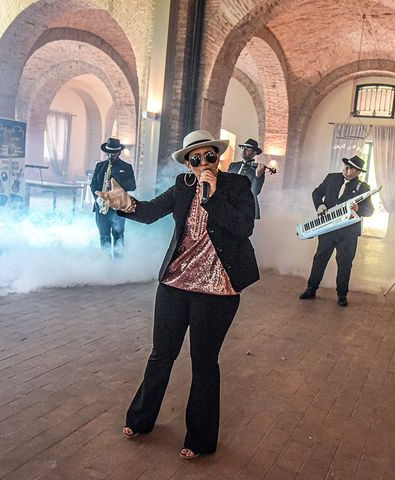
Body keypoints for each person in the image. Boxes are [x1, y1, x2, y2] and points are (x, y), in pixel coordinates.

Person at [96, 129, 259, 459]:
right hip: (175, 284)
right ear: (187, 164)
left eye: (209, 156)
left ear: (218, 156)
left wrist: (212, 196)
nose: (203, 164)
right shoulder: (182, 188)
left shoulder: (238, 186)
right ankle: (141, 420)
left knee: (203, 363)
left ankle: (200, 439)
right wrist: (124, 203)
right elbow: (149, 212)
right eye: (195, 159)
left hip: (218, 290)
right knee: (161, 354)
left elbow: (243, 228)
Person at [299, 155, 374, 306]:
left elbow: (370, 210)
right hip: (328, 228)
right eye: (346, 165)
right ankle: (311, 288)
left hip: (348, 233)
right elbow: (316, 193)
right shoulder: (332, 178)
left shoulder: (363, 187)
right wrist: (319, 205)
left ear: (358, 172)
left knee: (345, 263)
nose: (347, 169)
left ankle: (342, 295)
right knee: (320, 258)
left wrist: (359, 209)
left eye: (351, 168)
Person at [90, 138, 136, 256]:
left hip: (118, 208)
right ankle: (106, 263)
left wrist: (116, 187)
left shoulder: (126, 167)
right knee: (104, 237)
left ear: (119, 152)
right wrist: (97, 198)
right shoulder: (100, 166)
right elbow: (93, 184)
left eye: (114, 153)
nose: (111, 155)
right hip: (102, 208)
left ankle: (117, 265)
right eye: (109, 153)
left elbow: (132, 186)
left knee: (118, 236)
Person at [228, 138, 266, 219]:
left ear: (254, 153)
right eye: (243, 147)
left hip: (246, 208)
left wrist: (257, 176)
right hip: (230, 205)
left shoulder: (257, 169)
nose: (244, 150)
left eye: (248, 148)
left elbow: (255, 191)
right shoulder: (233, 166)